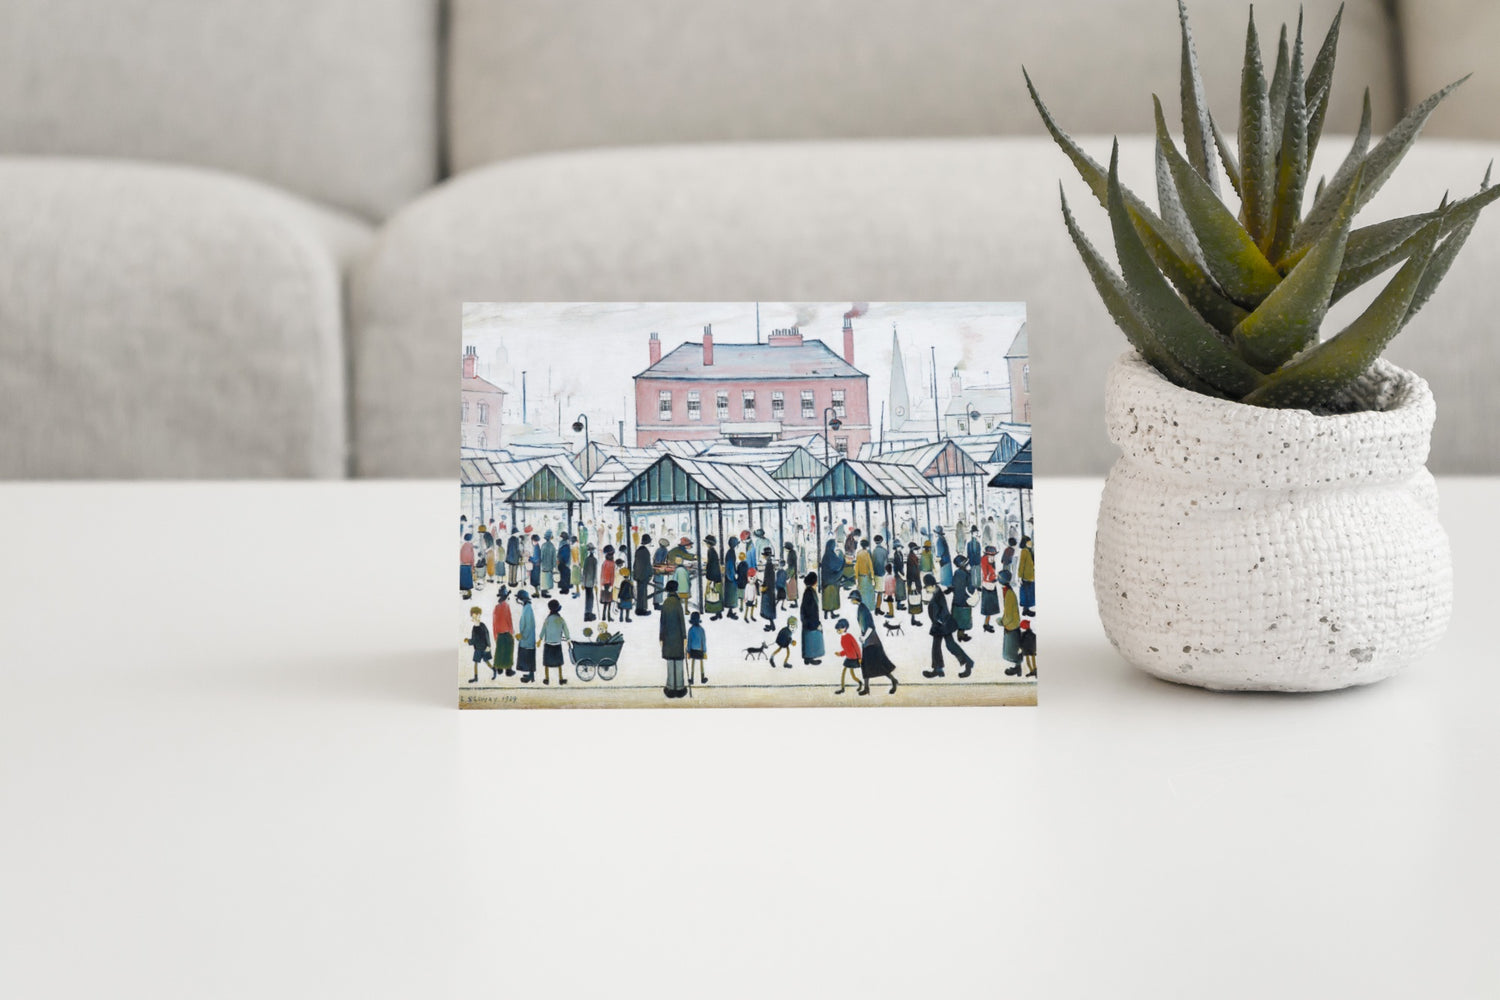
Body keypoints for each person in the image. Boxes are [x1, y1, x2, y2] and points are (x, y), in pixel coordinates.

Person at [922, 573, 974, 679]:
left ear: (932, 585)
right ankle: (938, 669)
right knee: (941, 646)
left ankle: (966, 663)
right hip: (941, 625)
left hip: (942, 625)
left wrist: (939, 621)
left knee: (949, 646)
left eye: (927, 587)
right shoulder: (937, 593)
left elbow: (941, 611)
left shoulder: (938, 595)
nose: (926, 590)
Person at [851, 590, 899, 695]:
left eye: (852, 599)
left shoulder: (863, 610)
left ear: (855, 599)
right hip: (868, 642)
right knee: (866, 665)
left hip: (872, 642)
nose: (851, 600)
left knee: (879, 665)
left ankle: (893, 680)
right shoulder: (861, 608)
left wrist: (864, 637)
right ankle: (867, 688)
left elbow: (871, 627)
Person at [659, 580, 688, 699]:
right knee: (679, 663)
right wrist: (684, 637)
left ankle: (670, 688)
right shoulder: (677, 603)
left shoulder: (665, 603)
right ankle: (680, 688)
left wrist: (661, 637)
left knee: (670, 663)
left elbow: (662, 622)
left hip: (667, 638)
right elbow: (682, 622)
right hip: (678, 638)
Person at [540, 598, 570, 685]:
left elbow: (543, 629)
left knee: (547, 662)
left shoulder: (548, 619)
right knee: (559, 662)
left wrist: (540, 639)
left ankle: (546, 679)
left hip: (548, 643)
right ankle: (561, 679)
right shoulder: (560, 619)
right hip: (557, 643)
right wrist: (568, 639)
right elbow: (565, 630)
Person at [1000, 569, 1023, 676]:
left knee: (1010, 653)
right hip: (1012, 625)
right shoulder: (1008, 591)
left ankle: (1017, 668)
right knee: (1012, 651)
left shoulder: (1009, 593)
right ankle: (1018, 669)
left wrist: (1001, 621)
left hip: (1011, 626)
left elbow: (1008, 614)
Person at [799, 572, 825, 665]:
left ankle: (807, 658)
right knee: (812, 638)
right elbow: (812, 611)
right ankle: (810, 657)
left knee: (808, 639)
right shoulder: (810, 593)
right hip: (810, 621)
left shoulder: (808, 591)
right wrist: (816, 623)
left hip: (807, 621)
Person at [834, 619, 863, 695]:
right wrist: (840, 654)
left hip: (854, 658)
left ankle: (860, 683)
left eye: (839, 629)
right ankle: (842, 688)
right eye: (837, 629)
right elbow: (846, 650)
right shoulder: (842, 638)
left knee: (852, 674)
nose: (838, 631)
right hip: (848, 658)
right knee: (844, 672)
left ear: (845, 628)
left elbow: (856, 647)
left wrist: (860, 658)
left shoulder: (849, 636)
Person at [464, 606, 492, 683]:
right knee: (476, 663)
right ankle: (475, 678)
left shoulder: (482, 625)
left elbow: (487, 635)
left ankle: (494, 670)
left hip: (484, 648)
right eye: (474, 615)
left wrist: (488, 646)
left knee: (487, 662)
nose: (476, 617)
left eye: (477, 615)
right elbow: (474, 640)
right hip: (477, 649)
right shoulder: (474, 628)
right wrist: (468, 641)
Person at [950, 555, 974, 642]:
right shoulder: (968, 574)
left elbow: (953, 584)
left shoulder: (956, 572)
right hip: (965, 600)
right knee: (963, 619)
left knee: (957, 618)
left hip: (956, 600)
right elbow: (971, 588)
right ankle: (961, 635)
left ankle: (959, 634)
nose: (968, 565)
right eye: (967, 564)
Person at [492, 586, 515, 677]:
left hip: (499, 634)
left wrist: (495, 635)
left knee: (499, 651)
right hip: (506, 633)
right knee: (508, 651)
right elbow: (509, 620)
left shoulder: (496, 607)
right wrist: (511, 631)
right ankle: (508, 670)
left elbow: (494, 622)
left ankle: (499, 668)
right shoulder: (506, 606)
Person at [515, 590, 538, 682]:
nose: (517, 600)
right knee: (528, 657)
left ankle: (531, 676)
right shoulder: (526, 607)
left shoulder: (528, 608)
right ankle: (530, 675)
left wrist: (522, 635)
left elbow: (529, 625)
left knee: (528, 657)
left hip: (527, 638)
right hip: (526, 638)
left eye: (519, 598)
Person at [819, 539, 844, 620]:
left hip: (825, 581)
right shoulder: (831, 556)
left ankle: (826, 614)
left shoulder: (825, 556)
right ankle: (832, 613)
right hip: (832, 581)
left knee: (826, 598)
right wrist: (841, 557)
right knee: (832, 598)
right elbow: (837, 565)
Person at [980, 545, 1001, 633]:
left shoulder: (990, 560)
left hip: (991, 584)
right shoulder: (985, 560)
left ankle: (986, 623)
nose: (993, 557)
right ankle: (986, 625)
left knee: (990, 608)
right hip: (988, 585)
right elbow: (986, 574)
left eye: (994, 555)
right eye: (992, 555)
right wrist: (992, 578)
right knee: (988, 608)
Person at [633, 534, 654, 617]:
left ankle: (639, 609)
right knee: (643, 592)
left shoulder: (638, 550)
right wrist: (651, 573)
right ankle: (642, 610)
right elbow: (647, 565)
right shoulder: (646, 552)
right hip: (643, 575)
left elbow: (635, 564)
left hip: (638, 574)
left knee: (640, 592)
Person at [704, 534, 723, 620]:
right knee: (717, 594)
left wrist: (709, 577)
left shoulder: (710, 551)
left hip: (713, 576)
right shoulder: (713, 551)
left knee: (713, 594)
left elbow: (710, 565)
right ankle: (718, 612)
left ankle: (716, 612)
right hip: (717, 576)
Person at [854, 538, 876, 613]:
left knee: (862, 593)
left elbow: (856, 566)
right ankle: (869, 607)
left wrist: (856, 577)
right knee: (869, 593)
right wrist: (872, 577)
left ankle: (863, 608)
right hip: (867, 577)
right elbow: (870, 566)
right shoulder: (867, 553)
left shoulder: (858, 553)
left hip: (860, 577)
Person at [759, 548, 778, 630]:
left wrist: (764, 586)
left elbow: (768, 578)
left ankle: (772, 625)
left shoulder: (768, 565)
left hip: (768, 589)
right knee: (769, 608)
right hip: (770, 589)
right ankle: (771, 624)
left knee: (768, 608)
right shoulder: (770, 564)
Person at [687, 611, 708, 685]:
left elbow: (689, 641)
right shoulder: (702, 630)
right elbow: (704, 641)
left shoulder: (690, 630)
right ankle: (702, 678)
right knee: (701, 664)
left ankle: (692, 679)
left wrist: (688, 651)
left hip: (692, 650)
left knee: (693, 664)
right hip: (700, 650)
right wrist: (705, 651)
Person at [721, 535, 740, 620]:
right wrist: (733, 576)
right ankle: (730, 612)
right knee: (731, 596)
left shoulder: (730, 551)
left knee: (730, 596)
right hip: (730, 577)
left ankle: (730, 611)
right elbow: (730, 566)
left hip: (730, 576)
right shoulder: (731, 552)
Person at [905, 542, 924, 626]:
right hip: (913, 581)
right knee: (914, 599)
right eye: (916, 549)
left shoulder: (913, 557)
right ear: (913, 550)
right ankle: (913, 619)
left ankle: (914, 618)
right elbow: (911, 571)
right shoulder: (911, 558)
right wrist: (912, 582)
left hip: (914, 580)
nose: (917, 551)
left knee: (915, 599)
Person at [1018, 536, 1036, 616]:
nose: (1030, 543)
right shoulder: (1024, 551)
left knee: (1029, 593)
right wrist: (1019, 576)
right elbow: (1021, 564)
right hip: (1026, 576)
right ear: (1025, 543)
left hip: (1031, 576)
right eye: (1029, 542)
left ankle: (1026, 609)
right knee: (1026, 593)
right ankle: (1025, 610)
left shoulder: (1029, 551)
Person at [652, 536, 669, 610]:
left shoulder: (659, 550)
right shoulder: (663, 550)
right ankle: (657, 604)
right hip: (659, 569)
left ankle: (657, 603)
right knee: (659, 586)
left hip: (658, 569)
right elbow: (658, 562)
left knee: (658, 586)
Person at [582, 543, 599, 621]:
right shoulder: (594, 560)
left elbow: (584, 572)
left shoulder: (586, 560)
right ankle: (589, 613)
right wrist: (595, 583)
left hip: (586, 582)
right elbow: (595, 573)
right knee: (590, 598)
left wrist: (583, 583)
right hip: (591, 582)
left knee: (588, 597)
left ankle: (587, 613)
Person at [600, 547, 616, 621]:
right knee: (608, 601)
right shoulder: (612, 563)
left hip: (605, 584)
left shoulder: (604, 563)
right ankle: (608, 616)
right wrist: (611, 585)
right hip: (608, 584)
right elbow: (612, 575)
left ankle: (604, 616)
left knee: (606, 601)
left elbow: (602, 575)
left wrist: (602, 584)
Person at [734, 551, 751, 619]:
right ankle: (745, 605)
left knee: (740, 595)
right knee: (744, 594)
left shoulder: (739, 565)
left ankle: (741, 606)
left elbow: (737, 572)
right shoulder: (746, 564)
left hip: (740, 581)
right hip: (745, 581)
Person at [539, 531, 556, 597]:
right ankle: (544, 592)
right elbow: (554, 557)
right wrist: (554, 566)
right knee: (548, 578)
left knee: (544, 578)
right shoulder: (552, 546)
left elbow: (541, 556)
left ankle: (544, 590)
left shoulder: (543, 545)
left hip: (543, 565)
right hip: (549, 565)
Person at [460, 533, 476, 600]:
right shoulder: (470, 546)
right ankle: (468, 595)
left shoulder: (463, 546)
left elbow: (460, 556)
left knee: (463, 582)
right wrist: (473, 566)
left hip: (462, 565)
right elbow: (472, 557)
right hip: (468, 565)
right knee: (467, 582)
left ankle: (464, 595)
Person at [556, 533, 573, 597]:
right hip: (564, 563)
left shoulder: (563, 544)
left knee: (563, 576)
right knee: (565, 576)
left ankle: (564, 589)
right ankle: (565, 588)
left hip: (563, 563)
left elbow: (562, 555)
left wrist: (560, 560)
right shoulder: (566, 545)